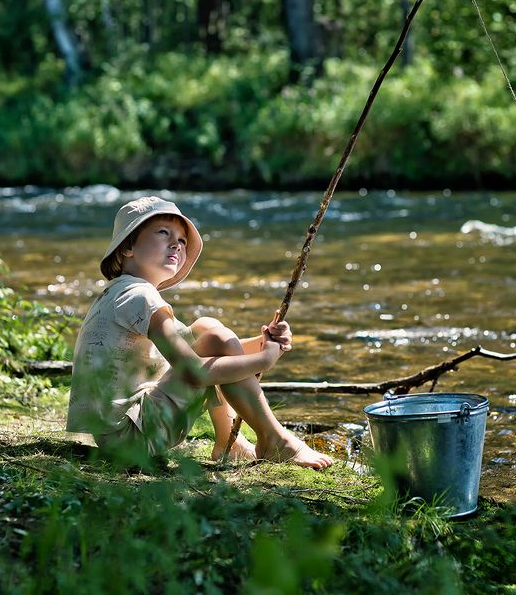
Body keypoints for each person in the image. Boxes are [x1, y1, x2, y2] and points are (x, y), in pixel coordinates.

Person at [66, 195, 333, 470]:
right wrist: (265, 360)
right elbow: (194, 371)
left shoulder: (123, 291)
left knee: (207, 328)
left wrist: (264, 343)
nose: (176, 244)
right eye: (163, 233)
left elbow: (205, 350)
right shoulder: (140, 297)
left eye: (182, 240)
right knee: (215, 338)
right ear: (127, 248)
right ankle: (275, 439)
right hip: (132, 437)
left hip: (120, 433)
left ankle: (229, 441)